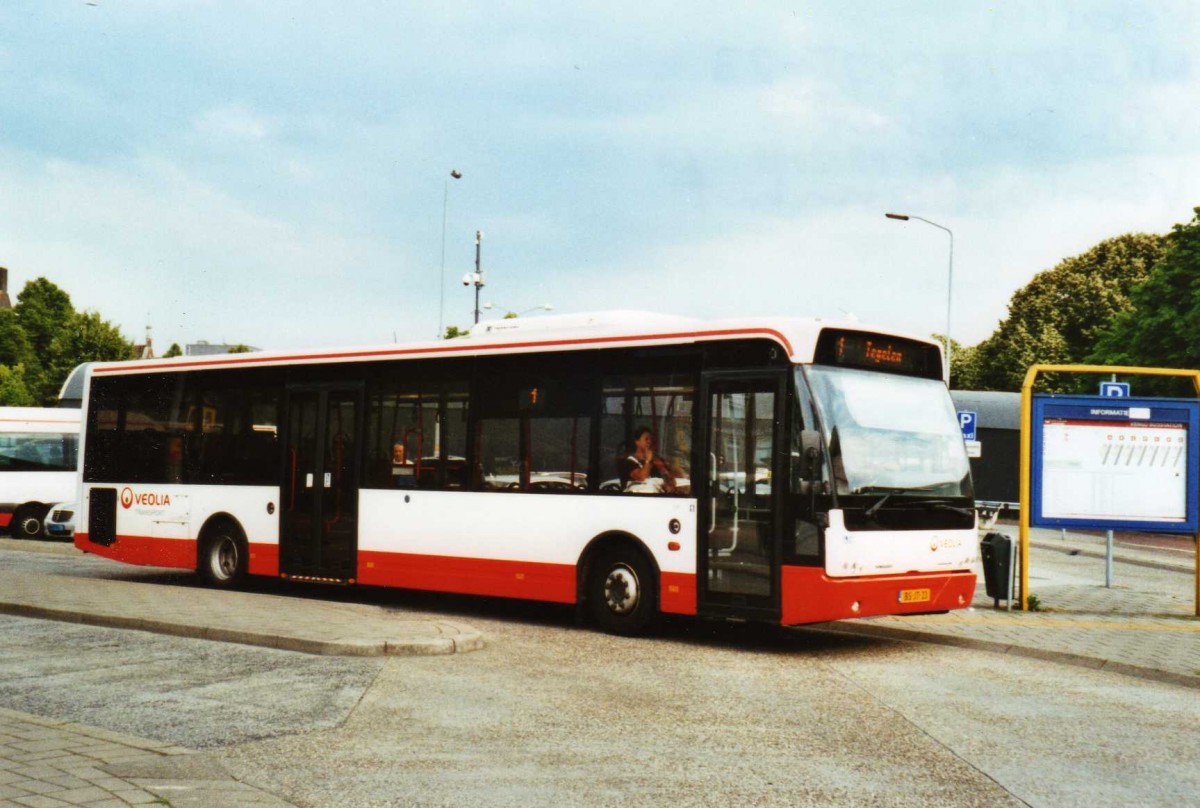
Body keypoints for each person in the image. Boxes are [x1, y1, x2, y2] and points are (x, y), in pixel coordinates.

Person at [620, 427, 676, 493]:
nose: (649, 441)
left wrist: (669, 484)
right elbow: (641, 477)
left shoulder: (656, 460)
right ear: (637, 442)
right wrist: (648, 460)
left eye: (651, 439)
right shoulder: (629, 461)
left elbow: (668, 474)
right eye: (646, 439)